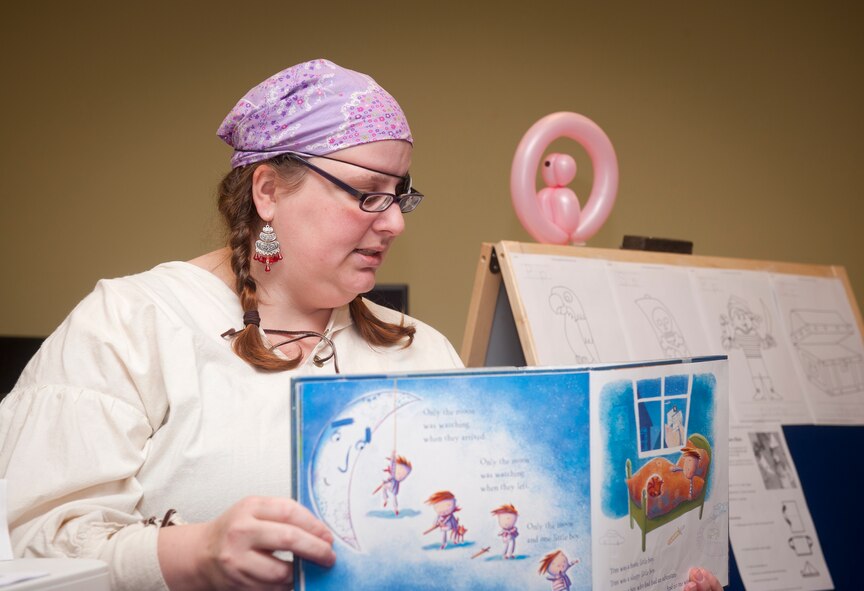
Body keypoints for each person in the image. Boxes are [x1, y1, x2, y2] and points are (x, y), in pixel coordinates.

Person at [0, 59, 723, 591]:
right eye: (369, 194)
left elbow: (484, 559)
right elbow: (31, 549)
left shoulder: (422, 350)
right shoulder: (130, 326)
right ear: (269, 189)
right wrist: (189, 554)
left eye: (401, 194)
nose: (397, 222)